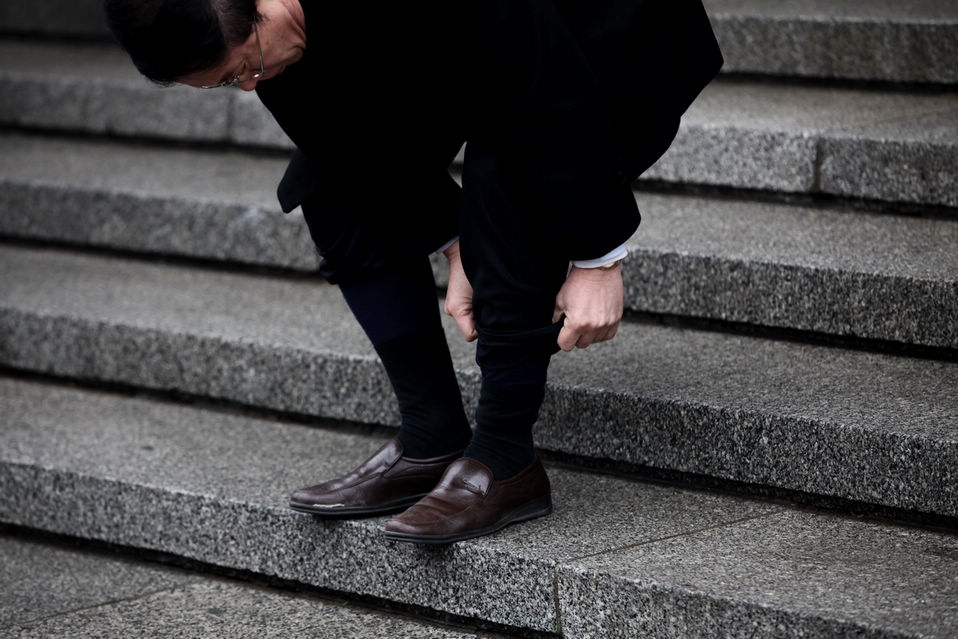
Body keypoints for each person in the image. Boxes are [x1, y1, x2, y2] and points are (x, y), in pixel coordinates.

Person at [104, 0, 722, 544]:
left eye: (246, 67)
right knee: (335, 183)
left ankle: (505, 462)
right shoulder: (259, 40)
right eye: (228, 82)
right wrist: (455, 246)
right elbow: (347, 142)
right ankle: (433, 438)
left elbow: (540, 86)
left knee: (506, 182)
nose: (249, 86)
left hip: (600, 27)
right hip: (458, 37)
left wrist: (597, 257)